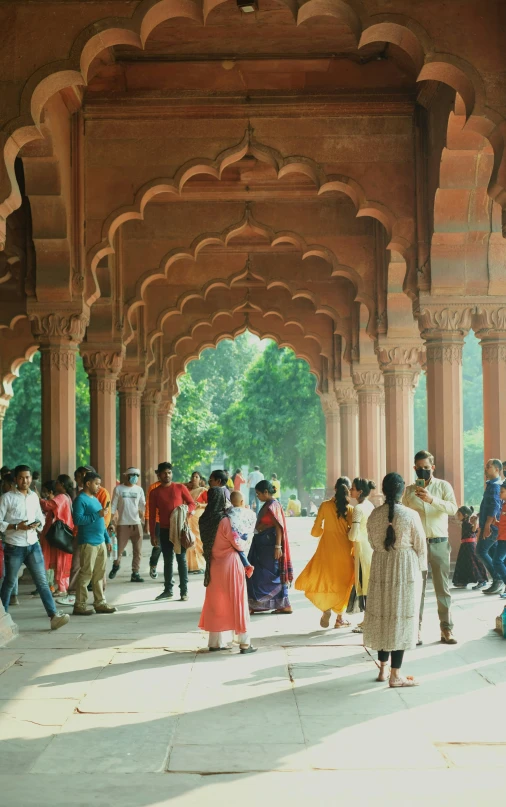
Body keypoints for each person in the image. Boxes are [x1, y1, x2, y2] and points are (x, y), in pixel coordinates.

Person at [364, 473, 427, 687]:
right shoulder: (410, 515)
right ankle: (395, 675)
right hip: (404, 570)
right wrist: (420, 570)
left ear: (383, 490)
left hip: (381, 567)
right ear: (402, 491)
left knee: (383, 614)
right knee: (400, 616)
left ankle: (382, 670)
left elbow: (373, 543)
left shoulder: (374, 515)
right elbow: (420, 547)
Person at [0, 465, 70, 630]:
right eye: (22, 478)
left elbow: (41, 517)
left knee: (43, 582)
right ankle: (2, 617)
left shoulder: (33, 497)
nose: (25, 480)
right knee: (9, 582)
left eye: (28, 477)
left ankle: (53, 616)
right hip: (14, 545)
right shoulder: (7, 498)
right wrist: (17, 527)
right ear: (16, 480)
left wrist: (38, 524)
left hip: (33, 544)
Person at [403, 450, 458, 645]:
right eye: (420, 468)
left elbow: (453, 508)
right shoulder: (409, 491)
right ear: (414, 468)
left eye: (426, 468)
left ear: (432, 468)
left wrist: (431, 499)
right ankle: (415, 630)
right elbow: (403, 515)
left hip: (439, 543)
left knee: (442, 589)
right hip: (416, 546)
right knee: (417, 588)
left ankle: (446, 629)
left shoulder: (443, 486)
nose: (423, 471)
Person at [198, 487, 256, 653]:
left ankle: (215, 642)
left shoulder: (204, 519)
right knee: (238, 602)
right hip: (231, 564)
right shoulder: (225, 521)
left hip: (213, 564)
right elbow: (237, 543)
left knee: (216, 603)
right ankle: (244, 643)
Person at [295, 478, 354, 628]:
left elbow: (315, 532)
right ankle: (340, 618)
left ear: (335, 489)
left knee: (326, 580)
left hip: (326, 549)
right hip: (345, 550)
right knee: (344, 582)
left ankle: (326, 609)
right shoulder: (350, 509)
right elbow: (353, 533)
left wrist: (324, 531)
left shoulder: (325, 506)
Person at [148, 462, 196, 601]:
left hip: (180, 529)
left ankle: (184, 591)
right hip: (163, 530)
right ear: (158, 475)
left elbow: (191, 503)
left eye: (169, 472)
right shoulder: (155, 492)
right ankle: (168, 589)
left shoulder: (180, 487)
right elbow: (152, 515)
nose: (167, 475)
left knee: (181, 560)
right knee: (168, 560)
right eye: (164, 473)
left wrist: (187, 512)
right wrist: (152, 534)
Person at [72, 472, 116, 615]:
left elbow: (101, 522)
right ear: (88, 483)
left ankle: (100, 602)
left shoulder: (96, 499)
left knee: (99, 574)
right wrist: (98, 514)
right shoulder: (80, 500)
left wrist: (107, 539)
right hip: (88, 542)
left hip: (100, 541)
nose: (99, 486)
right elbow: (78, 520)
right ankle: (80, 604)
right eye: (96, 483)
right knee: (86, 574)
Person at [247, 479, 293, 614]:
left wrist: (278, 547)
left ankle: (281, 604)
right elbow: (268, 524)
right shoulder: (269, 504)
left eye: (258, 494)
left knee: (265, 575)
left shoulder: (272, 505)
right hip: (262, 545)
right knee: (261, 575)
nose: (257, 496)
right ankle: (279, 604)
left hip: (269, 546)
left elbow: (279, 527)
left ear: (266, 492)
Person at [39, 476, 75, 597]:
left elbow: (47, 506)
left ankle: (61, 588)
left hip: (59, 533)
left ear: (62, 485)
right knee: (62, 559)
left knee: (60, 560)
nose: (56, 485)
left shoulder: (61, 497)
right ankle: (62, 586)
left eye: (58, 483)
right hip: (64, 532)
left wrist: (37, 498)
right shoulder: (67, 497)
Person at [108, 467, 146, 583]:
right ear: (126, 476)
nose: (135, 477)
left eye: (137, 475)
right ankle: (116, 565)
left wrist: (143, 518)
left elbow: (142, 506)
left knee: (137, 551)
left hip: (136, 523)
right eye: (133, 474)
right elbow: (113, 507)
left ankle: (135, 572)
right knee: (118, 550)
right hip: (123, 524)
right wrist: (111, 522)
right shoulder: (118, 489)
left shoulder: (139, 490)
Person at [348, 477, 376, 632]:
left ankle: (368, 621)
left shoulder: (358, 509)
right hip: (369, 548)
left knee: (364, 586)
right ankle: (367, 620)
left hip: (361, 550)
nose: (350, 490)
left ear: (359, 491)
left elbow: (353, 535)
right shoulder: (369, 505)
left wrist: (346, 534)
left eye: (352, 488)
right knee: (368, 585)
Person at [477, 458, 503, 595]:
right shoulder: (492, 485)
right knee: (492, 553)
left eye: (489, 466)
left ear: (497, 470)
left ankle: (498, 580)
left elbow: (495, 506)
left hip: (491, 527)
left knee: (480, 551)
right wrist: (478, 514)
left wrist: (487, 526)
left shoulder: (494, 486)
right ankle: (498, 581)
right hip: (493, 526)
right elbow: (489, 505)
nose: (485, 468)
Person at [452, 506, 487, 589]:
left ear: (466, 515)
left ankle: (482, 580)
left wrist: (475, 523)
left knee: (473, 562)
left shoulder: (468, 523)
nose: (458, 516)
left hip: (470, 546)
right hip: (464, 545)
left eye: (459, 514)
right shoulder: (464, 522)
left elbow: (473, 530)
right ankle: (463, 581)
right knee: (463, 563)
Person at [228, 490, 256, 577]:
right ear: (242, 501)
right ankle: (246, 565)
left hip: (235, 537)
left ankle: (246, 565)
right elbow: (253, 520)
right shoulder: (249, 512)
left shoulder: (229, 511)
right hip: (245, 536)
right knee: (240, 549)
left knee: (238, 548)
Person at [186, 471, 207, 574]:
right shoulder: (186, 490)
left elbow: (210, 504)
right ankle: (190, 566)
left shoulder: (203, 491)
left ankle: (200, 565)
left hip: (199, 518)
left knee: (198, 540)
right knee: (188, 539)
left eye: (196, 477)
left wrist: (200, 505)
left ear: (200, 479)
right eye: (193, 476)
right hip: (188, 517)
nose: (194, 478)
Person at [145, 467, 162, 579]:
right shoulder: (153, 487)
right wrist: (147, 522)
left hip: (170, 521)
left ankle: (168, 572)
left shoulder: (174, 487)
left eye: (168, 473)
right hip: (157, 521)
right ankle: (153, 565)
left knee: (170, 548)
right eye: (162, 473)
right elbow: (148, 506)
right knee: (158, 546)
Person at [493, 481, 506, 598]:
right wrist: (496, 523)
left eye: (502, 492)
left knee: (497, 561)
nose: (499, 494)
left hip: (504, 539)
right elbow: (503, 524)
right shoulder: (504, 505)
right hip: (501, 538)